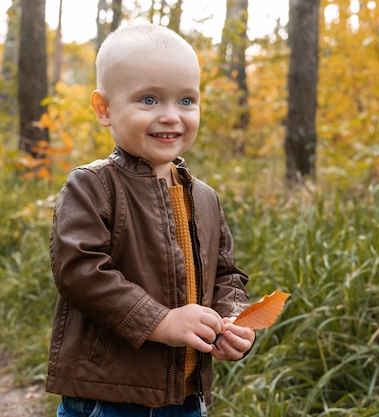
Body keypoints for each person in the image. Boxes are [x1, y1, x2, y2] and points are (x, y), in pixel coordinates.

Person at [46, 22, 255, 417]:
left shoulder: (204, 197)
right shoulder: (93, 186)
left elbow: (226, 273)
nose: (171, 116)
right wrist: (160, 321)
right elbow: (79, 271)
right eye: (148, 100)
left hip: (184, 393)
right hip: (111, 394)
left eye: (186, 101)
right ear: (104, 109)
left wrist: (233, 318)